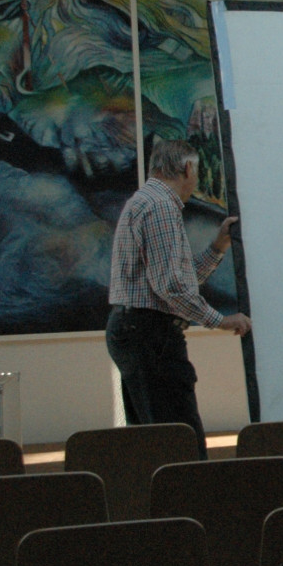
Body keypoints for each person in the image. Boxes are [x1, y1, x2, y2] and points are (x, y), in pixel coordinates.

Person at [106, 139, 251, 458]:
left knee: (155, 442)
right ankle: (188, 491)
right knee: (180, 442)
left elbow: (175, 280)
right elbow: (171, 287)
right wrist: (221, 320)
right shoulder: (161, 207)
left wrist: (218, 247)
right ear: (187, 168)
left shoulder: (145, 201)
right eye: (197, 172)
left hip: (136, 331)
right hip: (150, 335)